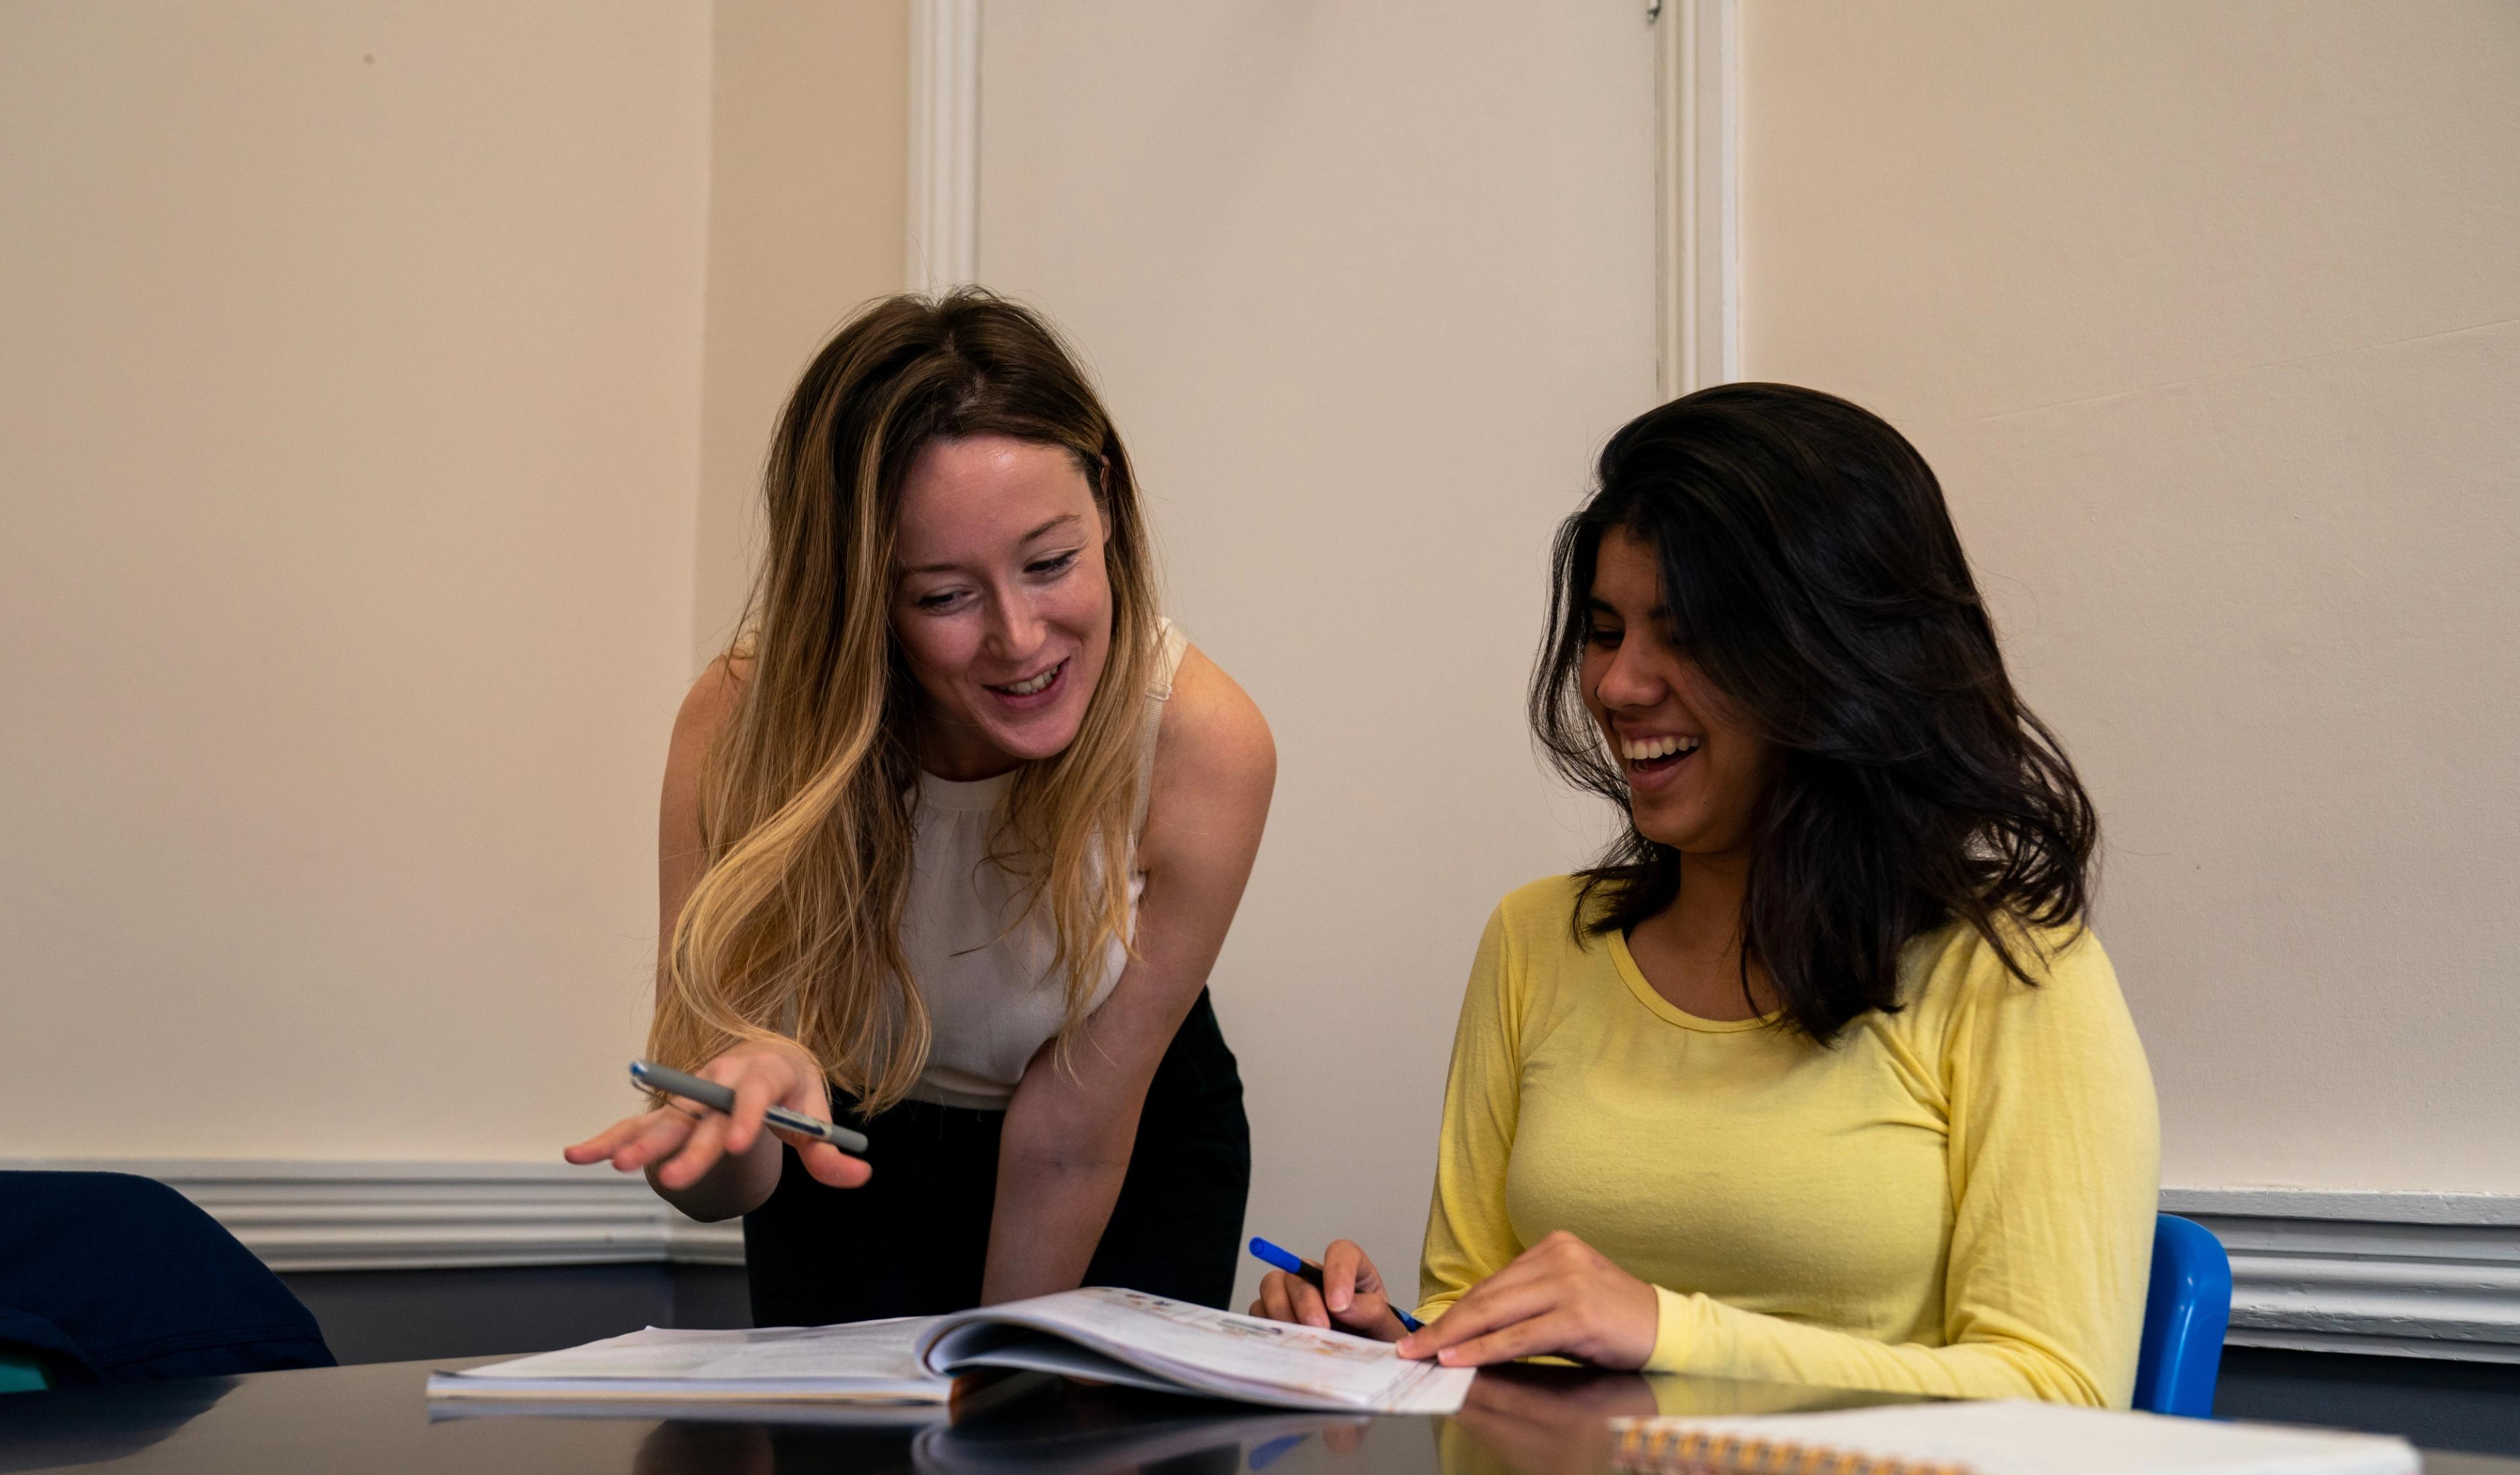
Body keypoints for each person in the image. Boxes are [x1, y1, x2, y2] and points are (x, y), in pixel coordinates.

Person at [1255, 384, 2158, 1405]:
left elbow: (2059, 1394)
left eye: (1684, 637)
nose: (1618, 686)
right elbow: (1478, 1340)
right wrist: (1386, 1344)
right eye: (1604, 632)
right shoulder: (1534, 941)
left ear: (1839, 658)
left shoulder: (2013, 970)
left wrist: (1665, 1331)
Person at [567, 291, 1274, 1323]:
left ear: (1108, 502)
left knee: (1059, 1465)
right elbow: (712, 1185)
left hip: (1116, 1142)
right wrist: (741, 1104)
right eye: (944, 596)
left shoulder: (1203, 743)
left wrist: (982, 1393)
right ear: (859, 598)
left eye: (1051, 564)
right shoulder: (739, 728)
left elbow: (1070, 1134)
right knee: (840, 1472)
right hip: (848, 1137)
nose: (1022, 638)